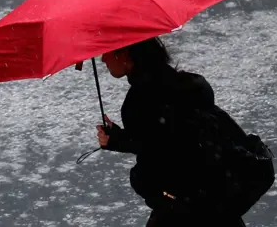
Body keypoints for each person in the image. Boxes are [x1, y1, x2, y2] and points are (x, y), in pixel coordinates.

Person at [96, 37, 250, 226]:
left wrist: (119, 145)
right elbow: (166, 139)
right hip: (219, 202)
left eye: (108, 50)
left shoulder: (139, 102)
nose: (103, 59)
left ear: (125, 54)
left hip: (182, 212)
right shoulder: (187, 84)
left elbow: (156, 158)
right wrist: (119, 139)